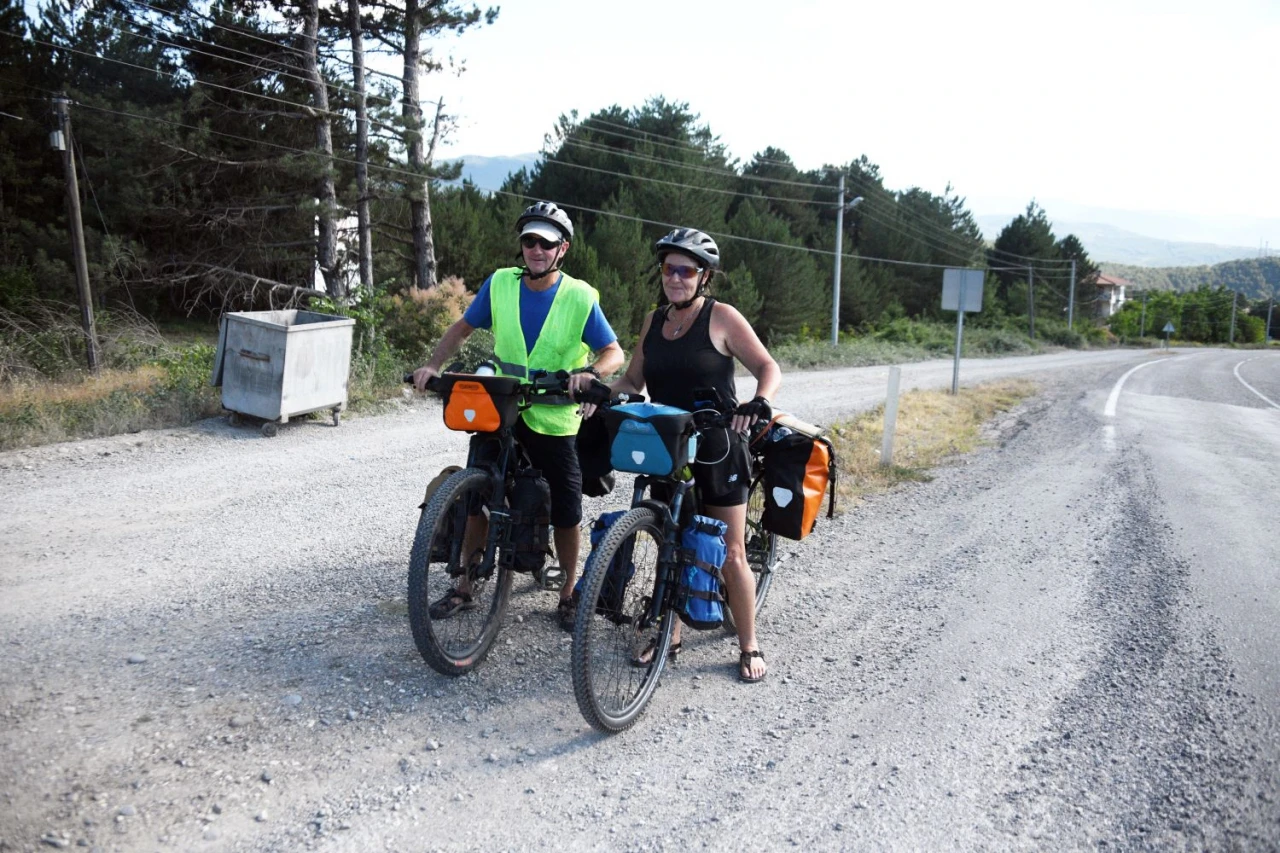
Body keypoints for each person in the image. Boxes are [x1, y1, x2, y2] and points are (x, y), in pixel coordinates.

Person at [412, 201, 624, 629]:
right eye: (529, 240)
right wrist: (432, 365)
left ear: (562, 249)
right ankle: (466, 585)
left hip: (553, 417)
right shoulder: (501, 284)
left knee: (567, 508)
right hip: (502, 408)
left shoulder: (580, 296)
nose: (536, 249)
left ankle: (567, 592)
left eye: (546, 243)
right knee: (476, 497)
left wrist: (589, 374)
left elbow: (614, 352)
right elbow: (461, 329)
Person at [607, 228, 781, 683]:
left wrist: (760, 399)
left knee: (730, 552)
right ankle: (672, 631)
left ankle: (748, 643)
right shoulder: (653, 321)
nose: (676, 278)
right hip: (669, 443)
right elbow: (633, 381)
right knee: (672, 542)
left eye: (686, 270)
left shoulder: (721, 318)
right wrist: (601, 391)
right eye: (669, 269)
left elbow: (768, 366)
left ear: (704, 276)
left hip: (720, 446)